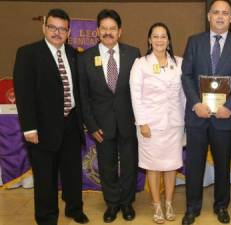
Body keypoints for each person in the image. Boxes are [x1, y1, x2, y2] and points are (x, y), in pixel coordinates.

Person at [13, 8, 89, 225]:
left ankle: (74, 209)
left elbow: (78, 91)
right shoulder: (28, 53)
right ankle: (46, 217)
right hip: (42, 128)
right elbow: (24, 93)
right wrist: (29, 128)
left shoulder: (74, 54)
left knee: (72, 172)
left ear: (68, 32)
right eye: (53, 27)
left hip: (71, 124)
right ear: (44, 27)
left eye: (62, 29)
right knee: (45, 176)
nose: (57, 33)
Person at [180, 0, 231, 224]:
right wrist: (195, 103)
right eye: (216, 12)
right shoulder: (194, 41)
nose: (220, 17)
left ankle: (221, 206)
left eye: (225, 13)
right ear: (209, 16)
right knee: (194, 166)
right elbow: (187, 75)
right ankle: (192, 208)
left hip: (225, 117)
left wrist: (229, 106)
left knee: (223, 165)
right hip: (197, 116)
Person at [78, 9, 140, 223]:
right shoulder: (86, 58)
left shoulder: (133, 54)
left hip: (128, 121)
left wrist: (139, 119)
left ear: (120, 31)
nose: (108, 32)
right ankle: (112, 204)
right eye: (103, 28)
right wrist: (92, 126)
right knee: (107, 166)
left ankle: (127, 203)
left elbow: (140, 90)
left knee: (130, 164)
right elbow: (83, 97)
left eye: (112, 28)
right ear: (97, 31)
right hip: (101, 125)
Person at [130, 22, 185, 224]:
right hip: (149, 125)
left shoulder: (179, 63)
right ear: (149, 39)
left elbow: (185, 96)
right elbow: (135, 95)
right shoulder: (140, 63)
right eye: (155, 36)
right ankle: (156, 205)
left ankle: (169, 203)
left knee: (171, 166)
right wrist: (142, 122)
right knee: (153, 167)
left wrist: (186, 120)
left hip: (174, 124)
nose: (159, 40)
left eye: (163, 36)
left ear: (168, 40)